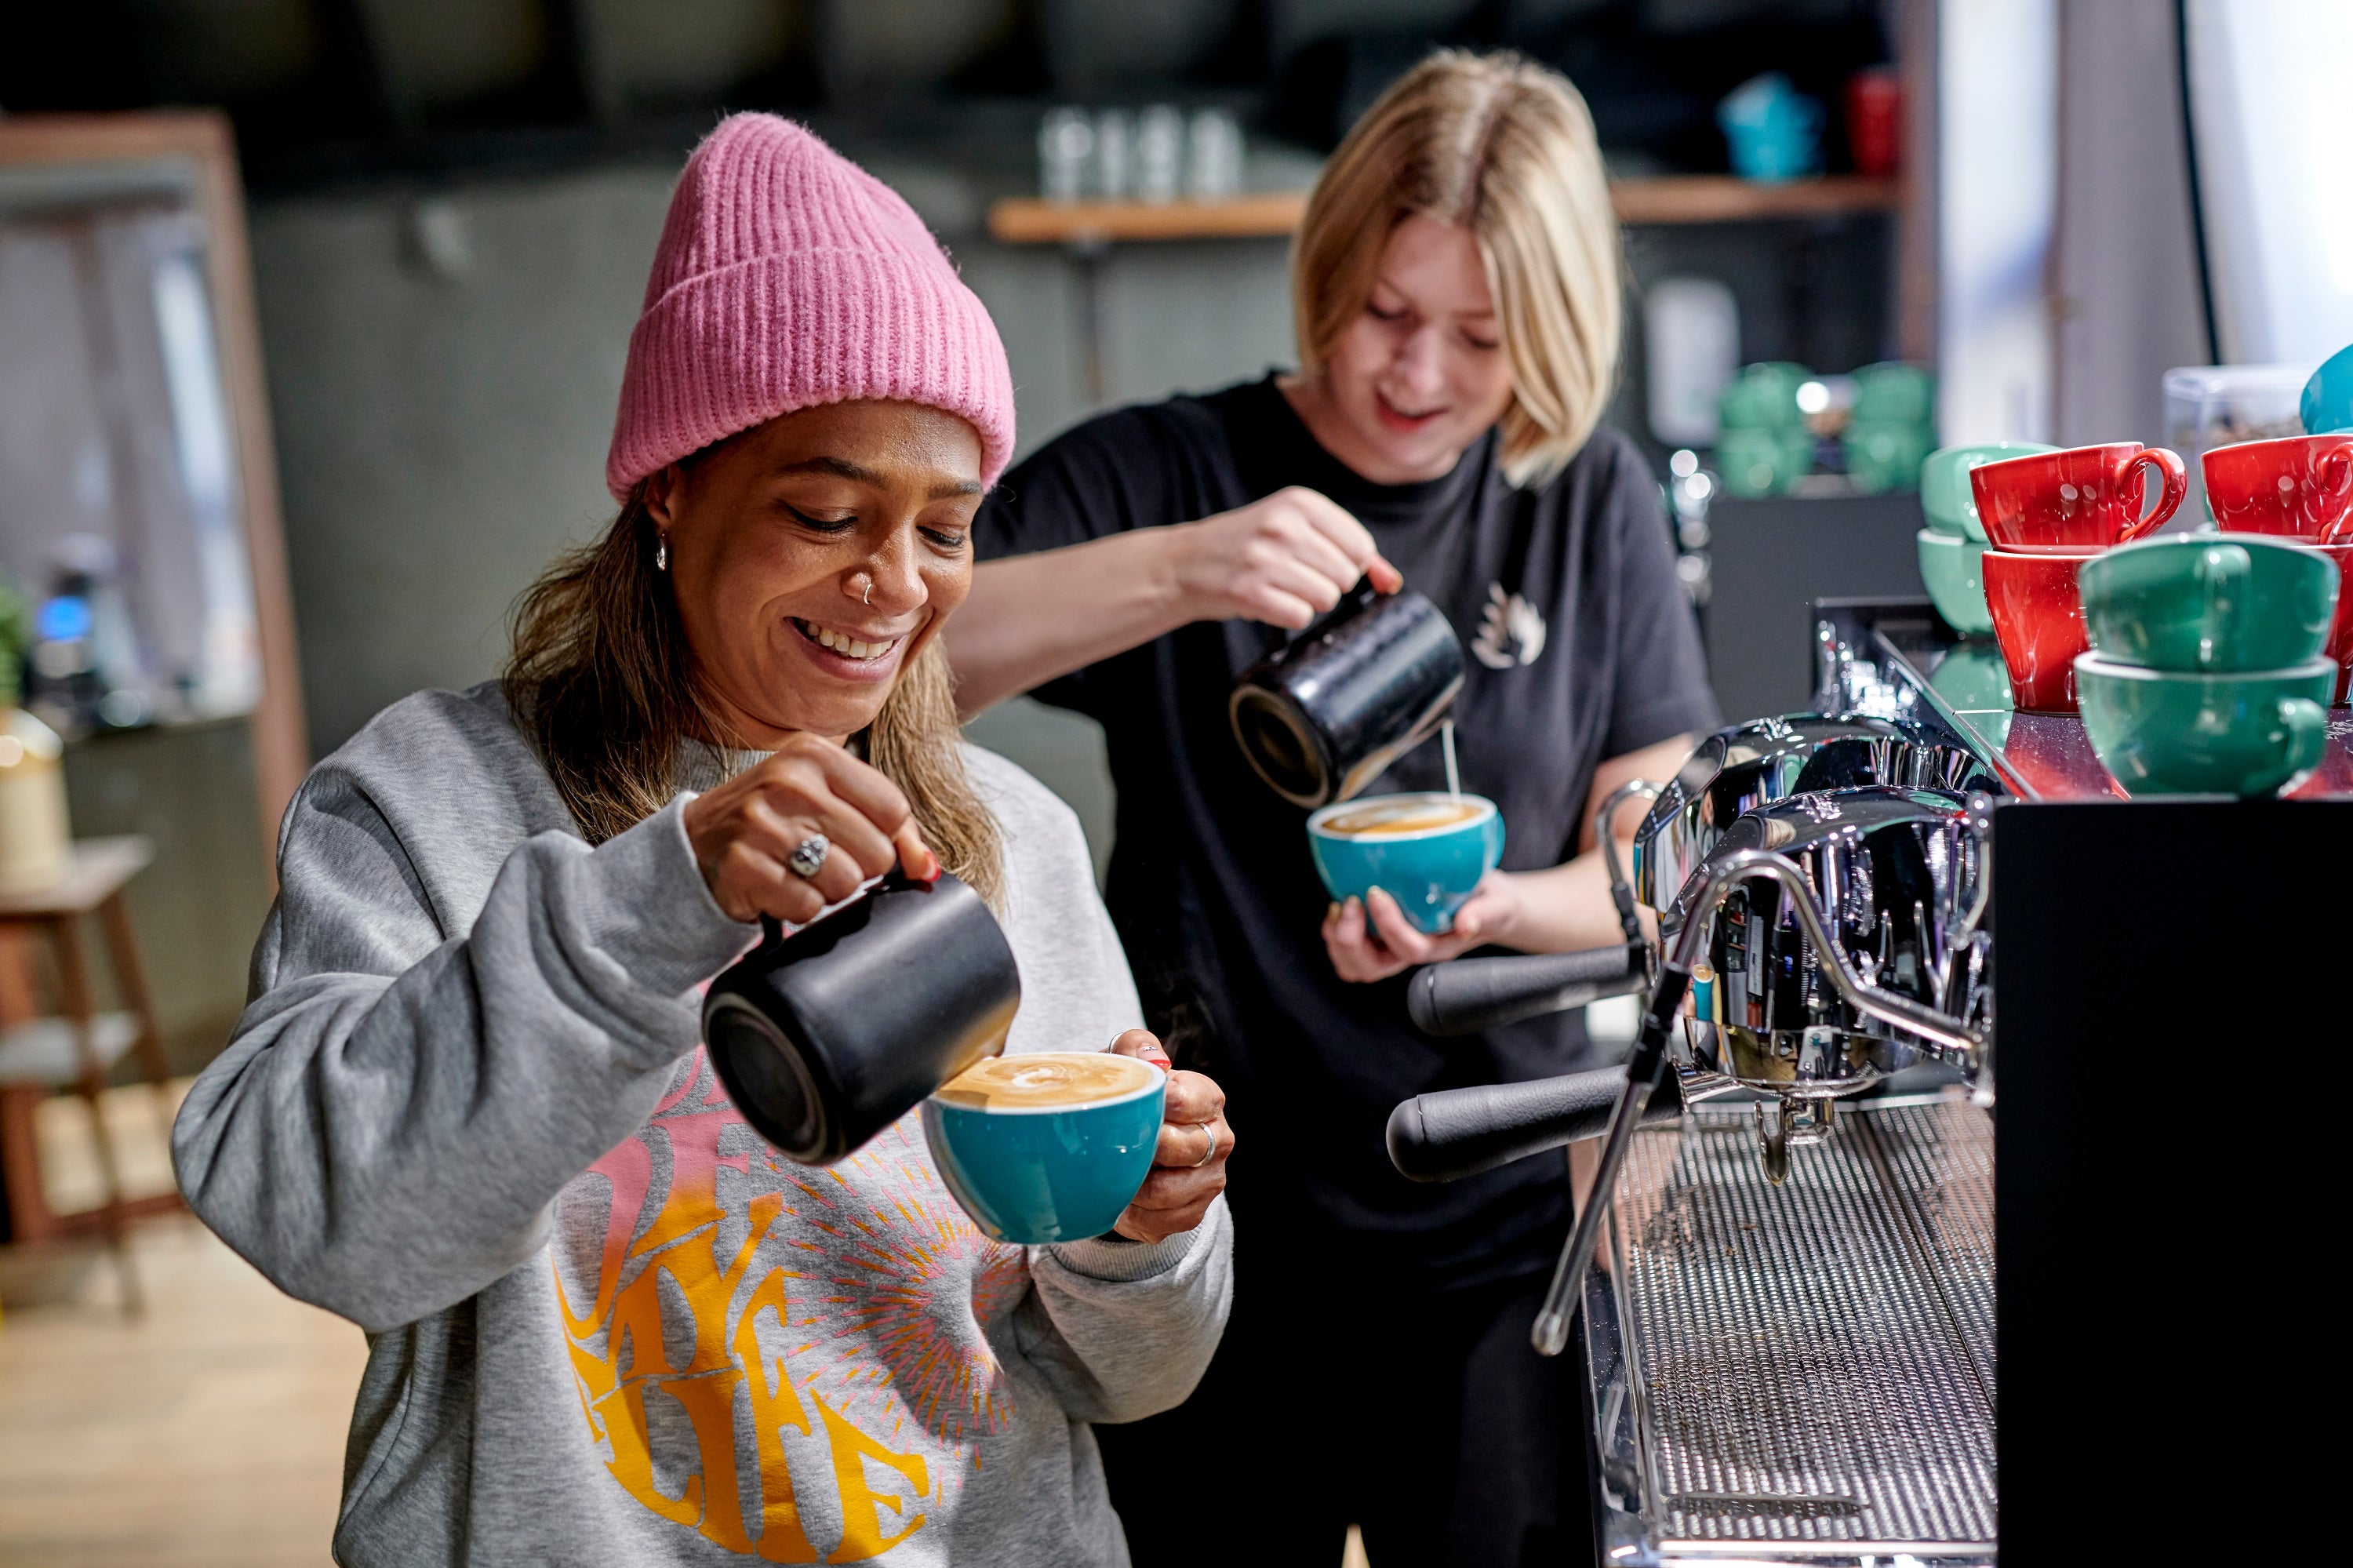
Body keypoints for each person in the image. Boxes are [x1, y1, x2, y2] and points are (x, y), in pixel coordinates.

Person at [173, 115, 1233, 1567]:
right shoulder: (426, 802)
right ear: (671, 487)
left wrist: (1144, 1239)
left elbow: (1131, 1373)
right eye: (825, 511)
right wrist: (654, 897)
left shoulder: (1015, 839)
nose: (893, 585)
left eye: (946, 527)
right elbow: (305, 1216)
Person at [947, 51, 1717, 1566]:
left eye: (1479, 338)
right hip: (1203, 1232)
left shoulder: (1582, 498)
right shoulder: (1180, 470)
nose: (1417, 374)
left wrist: (1503, 916)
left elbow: (1652, 829)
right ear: (1330, 269)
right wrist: (1188, 570)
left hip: (1497, 1238)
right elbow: (905, 658)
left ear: (1552, 334)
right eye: (1385, 312)